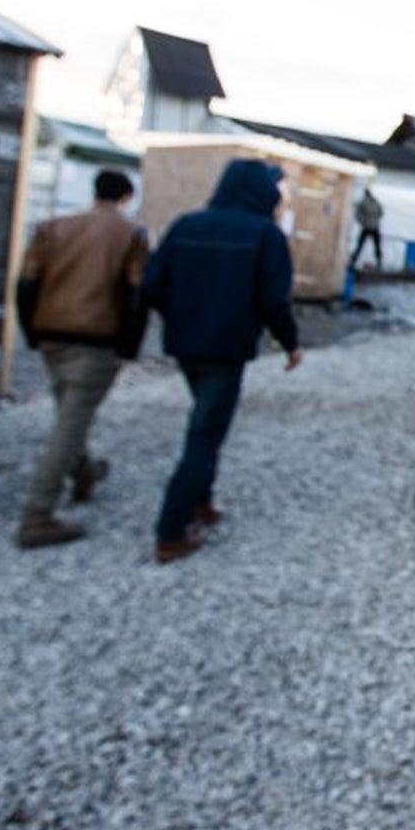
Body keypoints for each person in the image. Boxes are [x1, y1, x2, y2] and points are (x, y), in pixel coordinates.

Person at [142, 159, 302, 564]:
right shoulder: (266, 235)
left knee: (205, 420)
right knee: (204, 435)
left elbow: (152, 285)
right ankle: (171, 531)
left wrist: (179, 317)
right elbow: (273, 300)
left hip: (185, 347)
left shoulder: (186, 225)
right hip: (226, 350)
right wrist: (291, 344)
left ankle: (202, 501)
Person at [12, 169, 148, 549]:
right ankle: (38, 512)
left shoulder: (52, 227)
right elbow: (137, 295)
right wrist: (129, 347)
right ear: (126, 196)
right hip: (96, 338)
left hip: (52, 333)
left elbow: (26, 284)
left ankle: (85, 472)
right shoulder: (131, 234)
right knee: (70, 424)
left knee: (69, 412)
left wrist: (32, 332)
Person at [350, 186, 385, 272]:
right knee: (377, 245)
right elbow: (381, 213)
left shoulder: (363, 202)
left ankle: (353, 260)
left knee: (360, 245)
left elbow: (357, 213)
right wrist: (375, 220)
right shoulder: (375, 201)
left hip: (367, 227)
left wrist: (362, 221)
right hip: (375, 227)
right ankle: (379, 261)